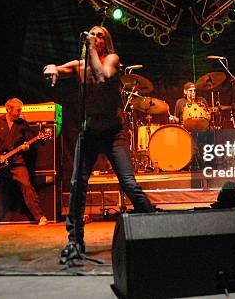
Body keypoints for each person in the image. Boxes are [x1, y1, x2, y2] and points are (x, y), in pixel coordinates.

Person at [43, 25, 155, 263]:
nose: (94, 38)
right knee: (77, 185)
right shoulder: (79, 65)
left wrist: (91, 50)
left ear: (106, 42)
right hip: (89, 133)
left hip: (113, 134)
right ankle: (75, 240)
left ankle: (155, 226)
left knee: (129, 183)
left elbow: (103, 76)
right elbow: (57, 67)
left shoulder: (112, 59)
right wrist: (51, 68)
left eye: (99, 36)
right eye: (92, 34)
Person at [0, 98, 47, 226]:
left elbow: (29, 141)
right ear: (8, 109)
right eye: (18, 110)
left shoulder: (23, 124)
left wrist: (27, 147)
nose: (20, 112)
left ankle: (40, 217)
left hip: (16, 162)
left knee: (26, 185)